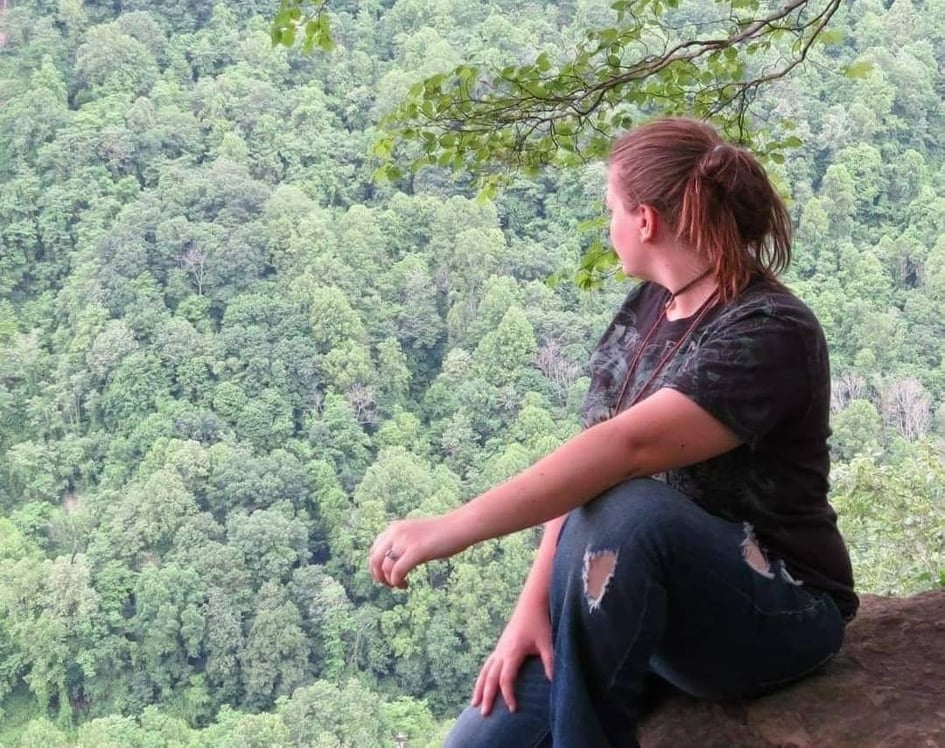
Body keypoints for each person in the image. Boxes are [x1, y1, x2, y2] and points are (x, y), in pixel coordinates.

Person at [368, 117, 857, 748]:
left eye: (611, 211)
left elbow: (624, 452)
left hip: (775, 608)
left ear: (646, 220)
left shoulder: (768, 330)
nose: (610, 227)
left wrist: (450, 528)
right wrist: (532, 610)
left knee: (635, 508)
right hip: (640, 602)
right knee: (478, 741)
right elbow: (589, 465)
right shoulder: (648, 308)